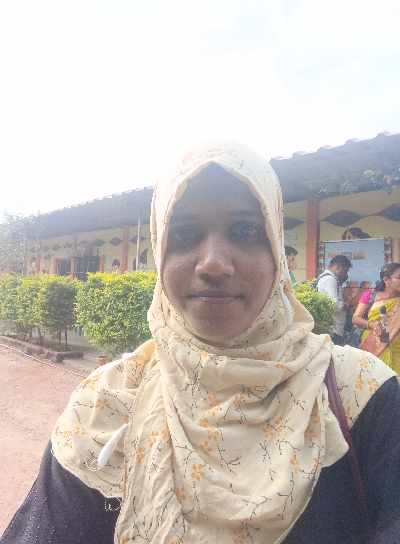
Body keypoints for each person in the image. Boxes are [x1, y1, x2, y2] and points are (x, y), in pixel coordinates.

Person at [2, 143, 400, 544]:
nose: (213, 264)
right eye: (184, 234)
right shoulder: (106, 405)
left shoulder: (358, 393)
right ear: (160, 252)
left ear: (276, 252)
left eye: (245, 231)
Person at [354, 263, 400, 373]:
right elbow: (355, 318)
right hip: (373, 346)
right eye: (399, 277)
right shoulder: (370, 295)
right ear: (386, 280)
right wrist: (372, 325)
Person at [316, 254, 352, 345]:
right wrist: (345, 305)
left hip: (332, 328)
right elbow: (334, 304)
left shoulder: (327, 278)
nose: (346, 274)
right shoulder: (330, 279)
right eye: (345, 271)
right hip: (333, 329)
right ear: (337, 267)